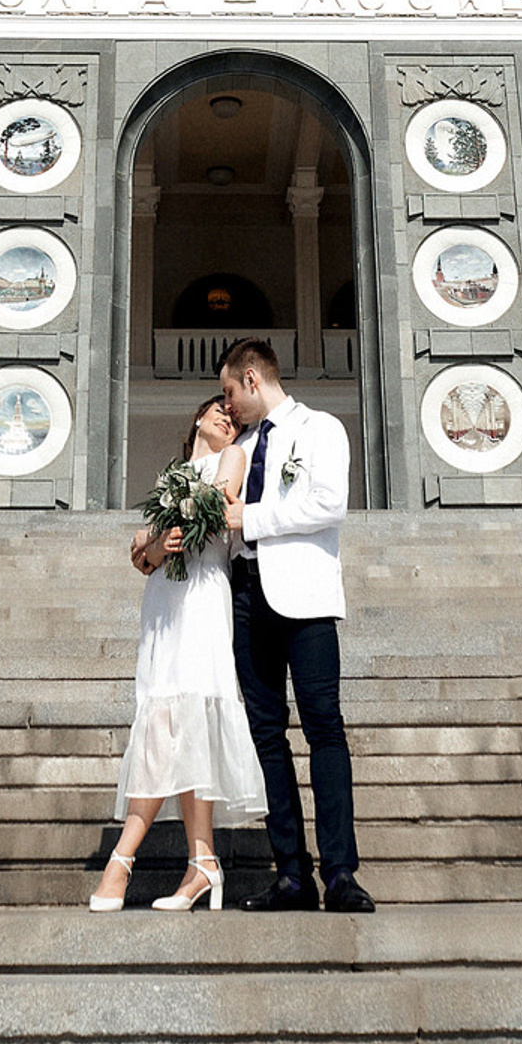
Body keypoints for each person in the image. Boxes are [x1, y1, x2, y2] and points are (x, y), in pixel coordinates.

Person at [88, 394, 264, 911]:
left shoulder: (232, 457)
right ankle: (202, 861)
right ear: (196, 418)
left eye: (232, 416)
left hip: (203, 593)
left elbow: (214, 515)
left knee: (186, 719)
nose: (225, 418)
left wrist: (159, 533)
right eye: (217, 411)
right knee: (167, 720)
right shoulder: (175, 473)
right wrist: (152, 544)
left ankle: (121, 860)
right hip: (164, 597)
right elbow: (140, 557)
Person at [219, 336, 374, 912]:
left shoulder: (319, 429)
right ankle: (291, 873)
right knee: (266, 736)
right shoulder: (237, 445)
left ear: (254, 379)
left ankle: (340, 873)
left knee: (324, 728)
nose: (227, 403)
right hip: (245, 594)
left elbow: (329, 503)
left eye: (230, 390)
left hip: (305, 599)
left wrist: (249, 517)